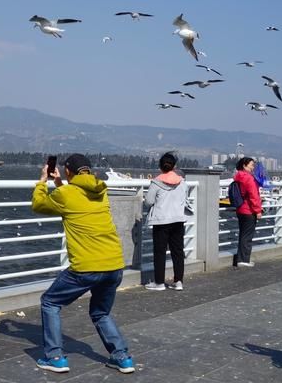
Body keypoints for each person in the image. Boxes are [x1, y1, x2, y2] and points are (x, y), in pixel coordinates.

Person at [31, 153, 134, 374]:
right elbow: (76, 195)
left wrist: (43, 181)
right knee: (100, 312)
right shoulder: (101, 190)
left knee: (50, 302)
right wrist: (60, 183)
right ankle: (122, 357)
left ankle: (55, 357)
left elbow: (39, 205)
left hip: (86, 267)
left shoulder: (65, 193)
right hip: (114, 264)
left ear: (68, 171)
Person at [143, 152, 188, 291]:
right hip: (178, 220)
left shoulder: (156, 182)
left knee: (160, 252)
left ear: (160, 166)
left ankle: (159, 283)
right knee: (178, 252)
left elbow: (149, 202)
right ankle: (178, 281)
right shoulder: (182, 182)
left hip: (161, 221)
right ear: (174, 166)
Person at [233, 157, 262, 268]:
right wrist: (258, 211)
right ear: (244, 166)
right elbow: (253, 196)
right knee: (247, 236)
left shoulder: (238, 177)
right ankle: (243, 260)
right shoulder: (248, 178)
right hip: (248, 210)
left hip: (240, 209)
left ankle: (241, 259)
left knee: (243, 234)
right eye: (251, 165)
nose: (253, 167)